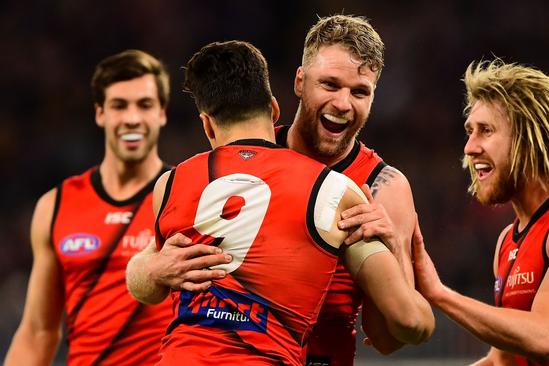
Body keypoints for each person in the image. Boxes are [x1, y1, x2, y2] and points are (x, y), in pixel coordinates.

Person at [127, 15, 423, 365]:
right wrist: (157, 270)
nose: (343, 103)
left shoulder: (383, 187)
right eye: (329, 85)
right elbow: (148, 264)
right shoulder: (241, 152)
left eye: (360, 92)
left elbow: (389, 338)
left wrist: (396, 253)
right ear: (300, 82)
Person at [410, 60, 549, 365]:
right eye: (470, 131)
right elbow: (502, 361)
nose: (469, 147)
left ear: (529, 138)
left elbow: (548, 337)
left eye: (486, 131)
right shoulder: (509, 240)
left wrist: (439, 294)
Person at [4, 50, 176, 365]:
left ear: (162, 113)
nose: (132, 118)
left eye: (145, 105)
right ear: (100, 113)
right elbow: (38, 332)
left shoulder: (185, 196)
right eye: (119, 105)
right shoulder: (56, 206)